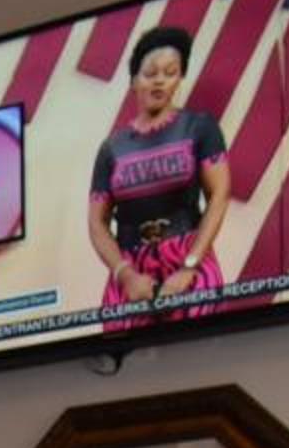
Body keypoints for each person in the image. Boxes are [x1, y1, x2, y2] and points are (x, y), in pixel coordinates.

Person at [88, 24, 232, 330]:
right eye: (150, 73)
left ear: (180, 78)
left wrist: (190, 266)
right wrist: (125, 275)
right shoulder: (112, 148)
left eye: (170, 73)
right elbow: (97, 222)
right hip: (132, 272)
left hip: (189, 258)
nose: (159, 81)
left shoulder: (199, 127)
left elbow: (219, 196)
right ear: (133, 80)